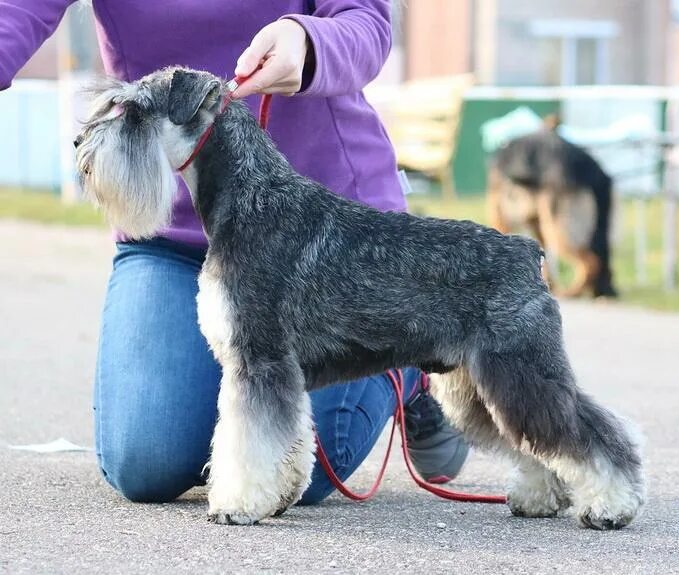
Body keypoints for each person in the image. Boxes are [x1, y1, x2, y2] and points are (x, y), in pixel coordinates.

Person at [0, 0, 469, 504]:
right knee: (147, 462)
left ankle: (411, 354)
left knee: (300, 475)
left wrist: (308, 40)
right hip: (173, 233)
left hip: (329, 242)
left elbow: (368, 22)